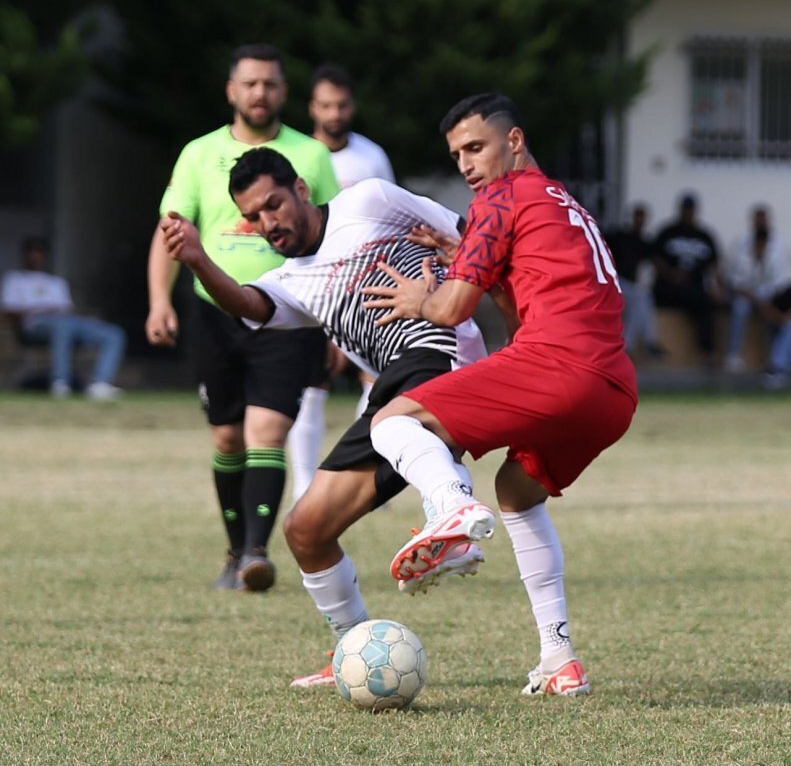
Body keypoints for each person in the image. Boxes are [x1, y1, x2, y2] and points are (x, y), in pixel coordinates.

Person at [159, 146, 488, 687]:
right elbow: (247, 304)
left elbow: (472, 232)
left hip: (439, 350)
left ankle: (452, 509)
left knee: (394, 421)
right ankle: (353, 651)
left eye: (274, 204)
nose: (268, 222)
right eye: (255, 216)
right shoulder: (291, 282)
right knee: (305, 530)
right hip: (396, 386)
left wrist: (453, 275)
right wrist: (196, 260)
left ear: (302, 191)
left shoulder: (370, 199)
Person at [362, 93, 639, 697]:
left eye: (475, 147)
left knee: (392, 421)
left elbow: (452, 307)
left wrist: (421, 299)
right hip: (614, 389)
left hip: (558, 365)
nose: (465, 164)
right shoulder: (561, 201)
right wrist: (473, 264)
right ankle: (560, 659)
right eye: (457, 153)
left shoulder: (500, 197)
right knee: (516, 491)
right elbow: (526, 294)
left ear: (513, 141)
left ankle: (452, 509)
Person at [145, 43, 339, 592]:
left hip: (290, 312)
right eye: (250, 83)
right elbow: (171, 234)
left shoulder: (312, 157)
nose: (260, 93)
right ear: (232, 91)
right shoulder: (198, 154)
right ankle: (234, 551)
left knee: (266, 432)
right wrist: (160, 301)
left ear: (284, 92)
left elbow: (333, 239)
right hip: (213, 312)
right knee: (227, 438)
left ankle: (257, 553)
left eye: (271, 84)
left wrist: (334, 323)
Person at [308, 62, 397, 427]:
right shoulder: (298, 155)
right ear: (312, 107)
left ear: (352, 106)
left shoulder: (372, 156)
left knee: (375, 374)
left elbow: (392, 214)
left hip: (367, 279)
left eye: (341, 105)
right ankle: (305, 483)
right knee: (314, 379)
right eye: (326, 105)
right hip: (312, 280)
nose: (334, 114)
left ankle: (357, 468)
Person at [1, 236, 126, 400]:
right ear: (25, 255)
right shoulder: (15, 279)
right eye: (32, 251)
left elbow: (68, 309)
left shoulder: (56, 282)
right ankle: (60, 383)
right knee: (62, 327)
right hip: (34, 326)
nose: (35, 256)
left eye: (39, 252)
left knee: (114, 334)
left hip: (68, 322)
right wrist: (43, 310)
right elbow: (9, 310)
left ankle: (100, 384)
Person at [651, 193, 726, 367]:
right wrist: (671, 273)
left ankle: (707, 354)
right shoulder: (667, 232)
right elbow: (655, 258)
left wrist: (719, 288)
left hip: (694, 288)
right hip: (668, 286)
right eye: (685, 209)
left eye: (691, 210)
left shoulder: (704, 235)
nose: (688, 213)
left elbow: (715, 265)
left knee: (707, 304)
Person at [723, 205, 788, 372]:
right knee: (739, 309)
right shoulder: (741, 246)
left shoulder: (778, 246)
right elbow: (735, 282)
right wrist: (755, 298)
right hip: (745, 295)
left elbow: (778, 283)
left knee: (774, 318)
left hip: (767, 296)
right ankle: (733, 355)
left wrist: (766, 302)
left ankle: (773, 360)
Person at [605, 204, 665, 359]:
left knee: (643, 301)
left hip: (633, 287)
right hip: (616, 283)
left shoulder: (645, 242)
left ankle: (632, 345)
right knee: (641, 300)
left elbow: (656, 263)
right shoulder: (619, 237)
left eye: (642, 217)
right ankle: (649, 341)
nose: (639, 220)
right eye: (637, 216)